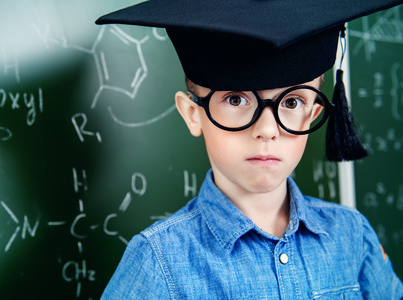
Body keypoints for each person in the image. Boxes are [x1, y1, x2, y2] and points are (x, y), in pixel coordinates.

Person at [96, 0, 403, 298]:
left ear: (313, 113)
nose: (267, 130)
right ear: (193, 114)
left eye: (292, 102)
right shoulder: (158, 262)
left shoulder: (351, 236)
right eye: (235, 100)